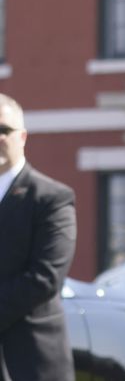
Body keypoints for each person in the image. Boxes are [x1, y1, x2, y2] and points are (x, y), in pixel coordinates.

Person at [0, 93, 76, 381]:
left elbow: (44, 278)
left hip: (30, 359)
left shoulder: (51, 198)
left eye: (2, 131)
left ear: (23, 137)